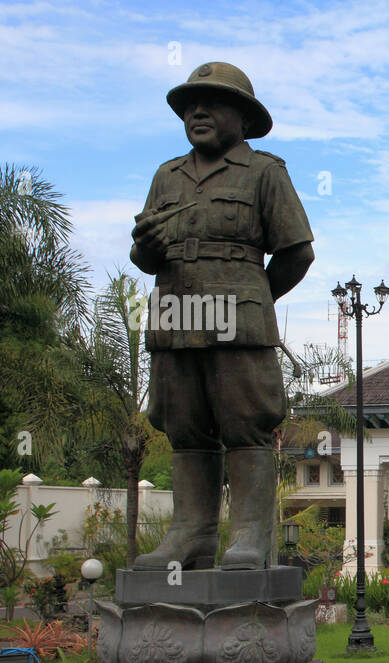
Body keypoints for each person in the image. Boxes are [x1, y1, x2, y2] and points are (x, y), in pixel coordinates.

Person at [129, 62, 314, 570]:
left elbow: (297, 251)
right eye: (190, 104)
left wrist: (254, 300)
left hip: (239, 322)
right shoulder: (166, 176)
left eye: (212, 102)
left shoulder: (265, 173)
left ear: (244, 117)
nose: (197, 111)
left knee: (245, 425)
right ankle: (192, 535)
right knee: (185, 427)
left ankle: (252, 536)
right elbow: (147, 259)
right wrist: (143, 250)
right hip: (175, 316)